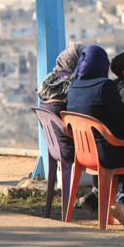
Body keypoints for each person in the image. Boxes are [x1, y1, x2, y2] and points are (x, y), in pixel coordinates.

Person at [65, 45, 124, 230]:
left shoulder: (73, 86)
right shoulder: (105, 86)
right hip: (107, 153)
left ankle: (99, 200)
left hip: (84, 154)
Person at [36, 43, 85, 209]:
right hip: (69, 147)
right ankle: (99, 198)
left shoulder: (49, 80)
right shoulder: (71, 83)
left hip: (54, 145)